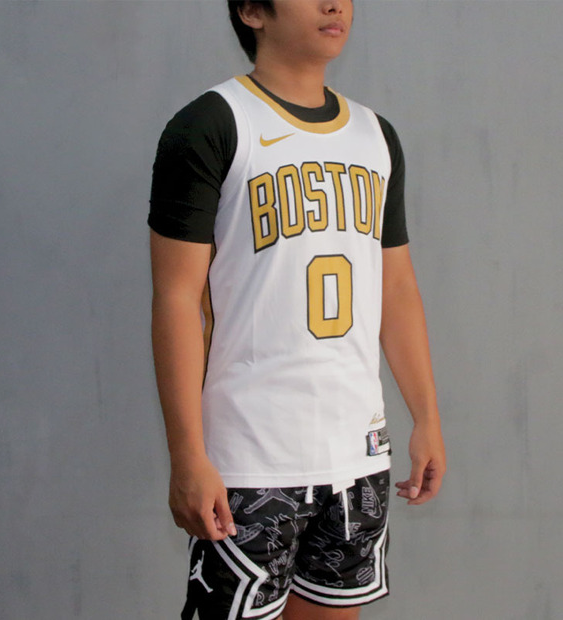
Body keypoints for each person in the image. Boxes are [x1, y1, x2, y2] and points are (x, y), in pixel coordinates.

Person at [148, 1, 446, 618]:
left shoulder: (376, 135)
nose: (334, 4)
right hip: (249, 458)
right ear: (252, 10)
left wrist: (426, 417)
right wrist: (188, 455)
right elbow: (176, 299)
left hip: (357, 455)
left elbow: (396, 289)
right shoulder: (211, 124)